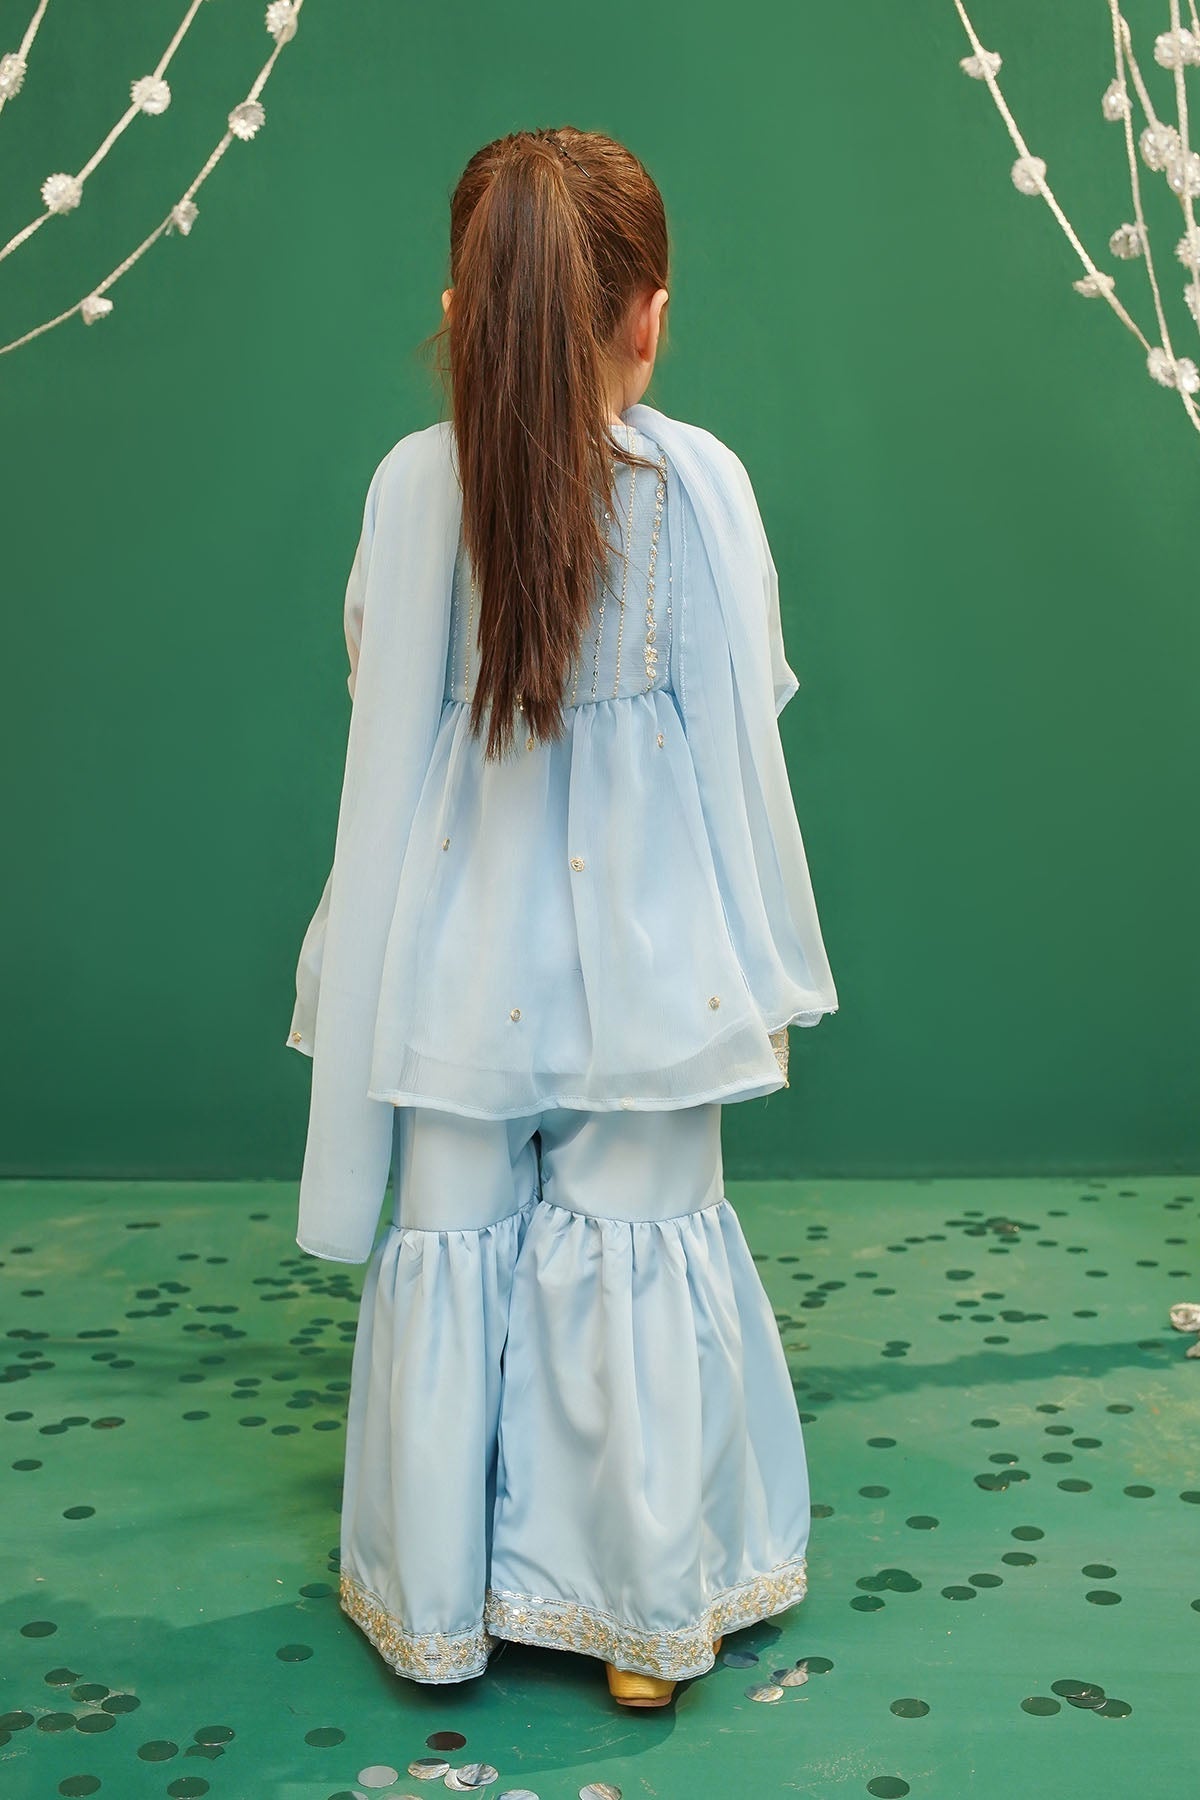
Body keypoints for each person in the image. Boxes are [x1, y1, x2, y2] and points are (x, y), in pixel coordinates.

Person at [284, 125, 839, 1709]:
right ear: (649, 318)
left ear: (462, 314)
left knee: (454, 1227)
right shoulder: (699, 485)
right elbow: (749, 705)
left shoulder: (415, 487)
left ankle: (444, 1603)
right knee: (637, 1236)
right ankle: (639, 1626)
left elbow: (378, 686)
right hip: (653, 949)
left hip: (460, 942)